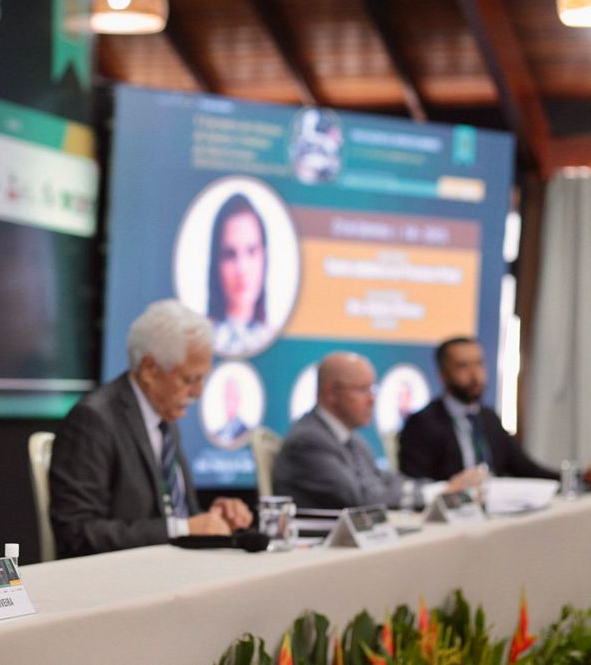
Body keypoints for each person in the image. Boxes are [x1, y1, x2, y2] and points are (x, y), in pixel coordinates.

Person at [50, 299, 253, 558]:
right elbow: (77, 533)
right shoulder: (94, 420)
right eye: (190, 379)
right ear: (149, 369)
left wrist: (214, 518)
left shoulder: (163, 420)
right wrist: (183, 529)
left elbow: (176, 513)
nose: (198, 392)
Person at [273, 352, 479, 509]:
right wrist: (437, 493)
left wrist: (441, 488)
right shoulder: (309, 441)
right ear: (330, 393)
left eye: (372, 389)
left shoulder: (352, 439)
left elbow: (385, 480)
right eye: (362, 389)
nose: (372, 400)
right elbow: (361, 500)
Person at [399, 337, 562, 482]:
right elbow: (415, 485)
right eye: (463, 366)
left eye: (479, 364)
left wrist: (570, 478)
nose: (475, 375)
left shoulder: (489, 418)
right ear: (444, 375)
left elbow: (525, 469)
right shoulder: (422, 424)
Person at [207, 194, 273, 356]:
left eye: (251, 251)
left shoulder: (276, 338)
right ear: (216, 262)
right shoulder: (197, 341)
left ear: (264, 257)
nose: (242, 269)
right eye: (230, 255)